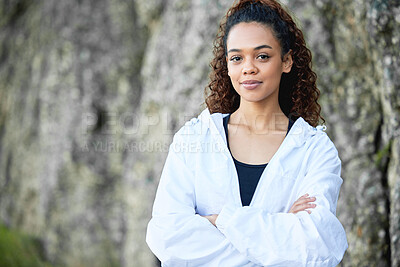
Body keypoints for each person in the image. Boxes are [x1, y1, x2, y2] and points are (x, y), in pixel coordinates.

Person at [146, 0, 348, 266]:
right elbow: (166, 237)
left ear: (286, 61)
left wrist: (219, 221)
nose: (248, 68)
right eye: (237, 57)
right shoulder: (195, 139)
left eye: (262, 56)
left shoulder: (314, 149)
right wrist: (281, 227)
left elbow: (318, 246)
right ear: (227, 65)